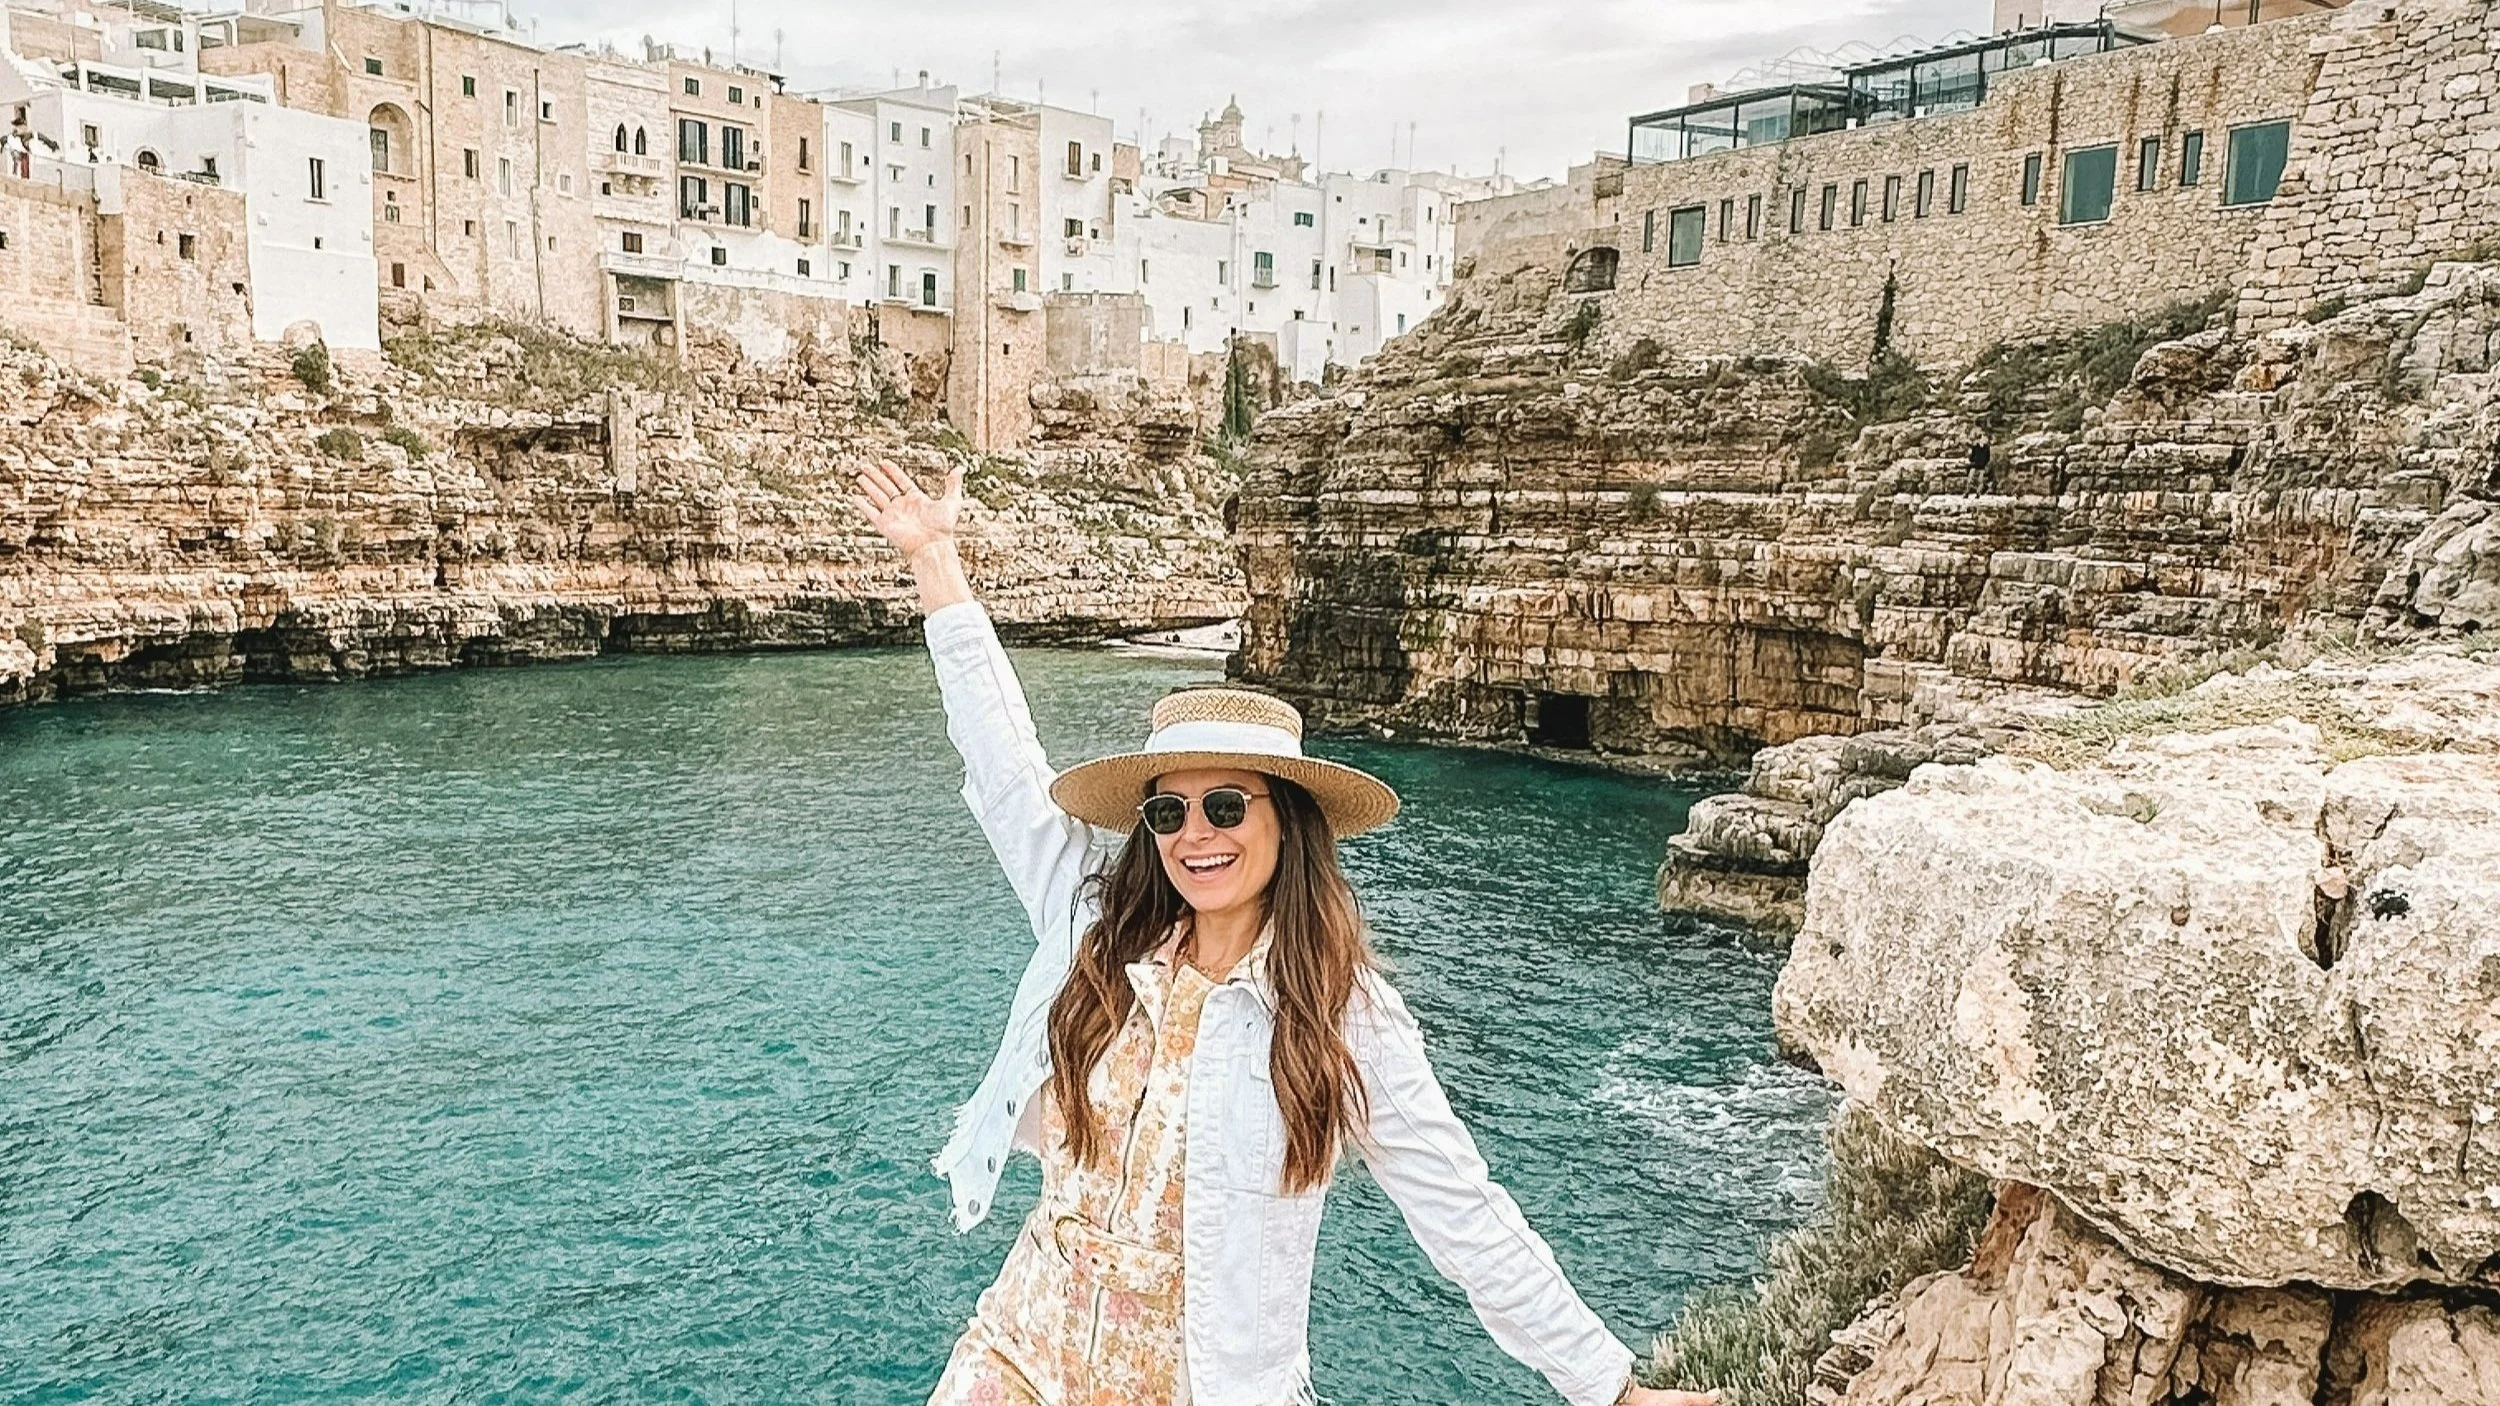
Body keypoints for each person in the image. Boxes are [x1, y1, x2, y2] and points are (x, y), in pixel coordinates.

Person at [854, 461, 1712, 1406]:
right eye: (1168, 812)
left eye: (1225, 804)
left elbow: (1462, 1211)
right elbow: (1003, 763)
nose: (1195, 835)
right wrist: (936, 560)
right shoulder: (1096, 926)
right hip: (1019, 1353)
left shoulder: (1339, 1011)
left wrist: (1613, 1389)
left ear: (1287, 819)